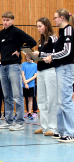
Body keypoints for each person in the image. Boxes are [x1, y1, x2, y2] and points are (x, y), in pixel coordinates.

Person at [0, 11, 37, 130]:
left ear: (12, 21)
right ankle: (8, 120)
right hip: (3, 66)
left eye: (8, 20)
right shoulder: (0, 34)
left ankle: (20, 121)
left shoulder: (17, 32)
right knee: (6, 95)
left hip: (14, 66)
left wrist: (19, 49)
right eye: (4, 20)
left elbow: (32, 42)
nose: (5, 22)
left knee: (17, 94)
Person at [43, 9, 74, 142]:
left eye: (55, 17)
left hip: (66, 68)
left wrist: (51, 56)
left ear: (62, 18)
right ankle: (62, 131)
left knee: (66, 101)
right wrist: (43, 55)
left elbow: (67, 51)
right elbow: (57, 52)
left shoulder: (68, 30)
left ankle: (70, 132)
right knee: (60, 101)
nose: (54, 20)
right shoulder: (62, 32)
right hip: (60, 68)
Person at [32, 17, 58, 136]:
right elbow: (42, 56)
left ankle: (53, 128)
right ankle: (44, 126)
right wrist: (34, 55)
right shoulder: (41, 39)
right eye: (37, 26)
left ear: (46, 26)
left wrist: (40, 53)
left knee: (51, 99)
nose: (38, 29)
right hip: (41, 70)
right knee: (41, 99)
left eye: (40, 26)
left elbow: (55, 54)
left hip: (50, 70)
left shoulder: (53, 38)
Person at [22, 54, 37, 120]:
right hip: (24, 84)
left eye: (29, 55)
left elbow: (35, 75)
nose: (27, 57)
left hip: (31, 84)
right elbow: (22, 74)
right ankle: (21, 113)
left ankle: (30, 113)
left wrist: (27, 81)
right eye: (26, 56)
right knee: (23, 98)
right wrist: (25, 82)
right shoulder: (23, 64)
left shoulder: (35, 65)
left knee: (30, 99)